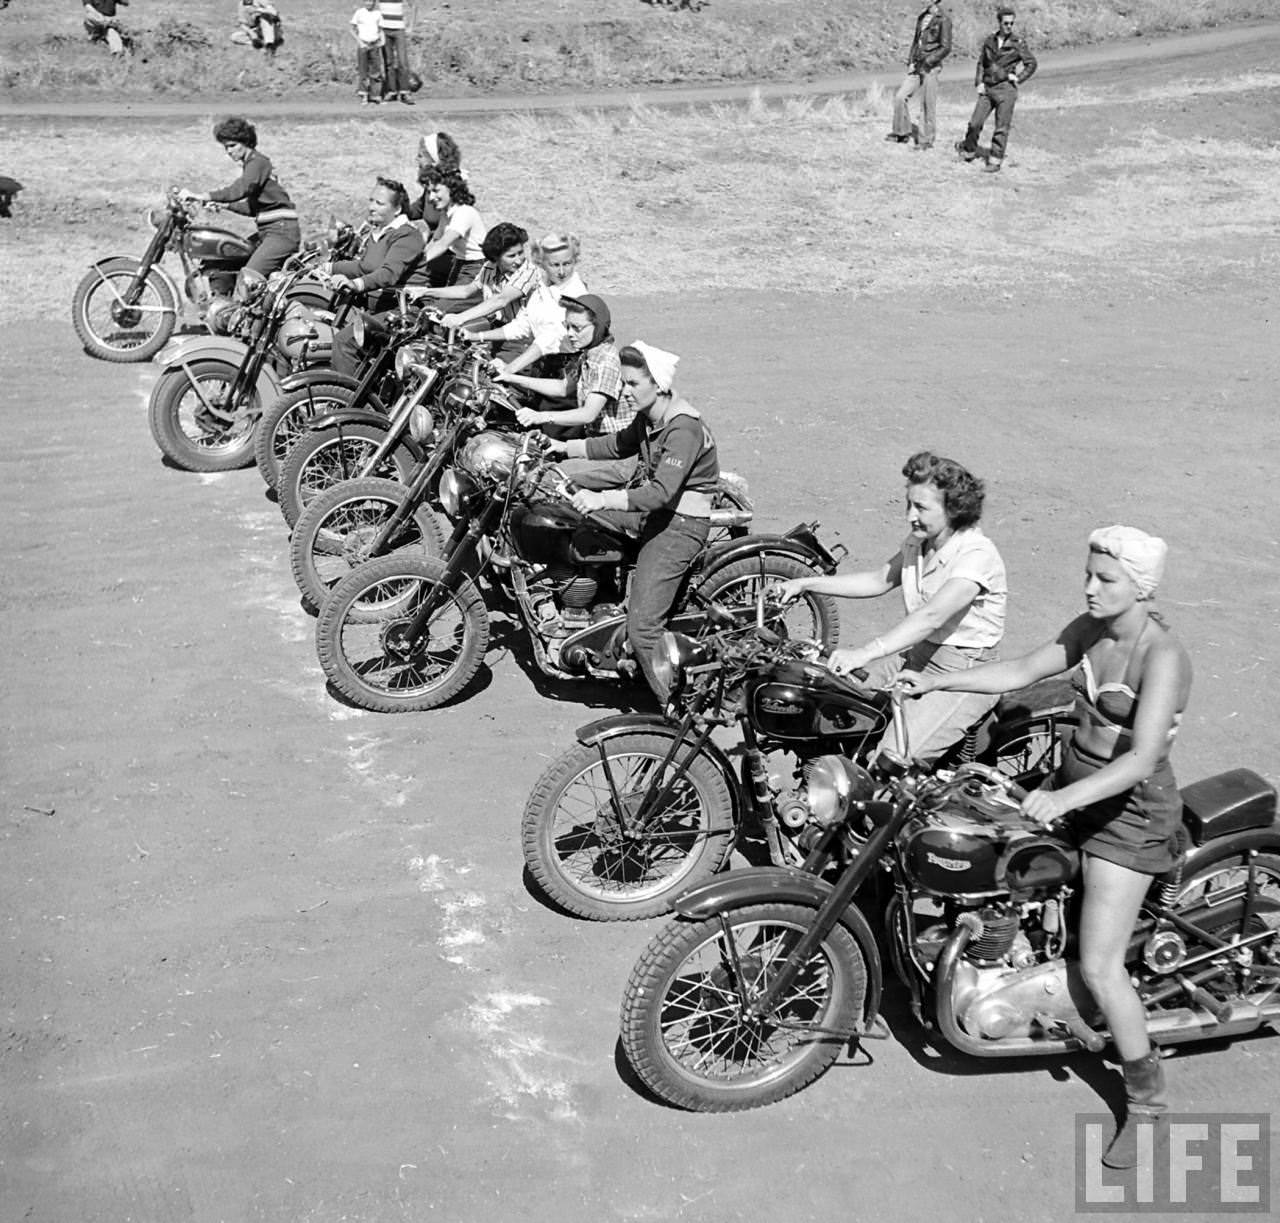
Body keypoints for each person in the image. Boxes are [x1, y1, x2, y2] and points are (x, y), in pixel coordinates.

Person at [897, 525, 1190, 1168]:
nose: (1089, 587)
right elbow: (1028, 668)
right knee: (1004, 868)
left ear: (1138, 587)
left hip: (1128, 818)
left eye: (1105, 579)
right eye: (1088, 574)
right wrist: (943, 685)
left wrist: (1060, 802)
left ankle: (1148, 1105)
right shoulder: (1090, 629)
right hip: (1071, 789)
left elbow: (1143, 757)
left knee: (1103, 967)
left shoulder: (1159, 655)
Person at [775, 451, 1007, 765]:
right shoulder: (918, 543)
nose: (911, 515)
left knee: (889, 761)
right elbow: (878, 580)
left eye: (922, 507)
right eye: (908, 504)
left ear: (954, 509)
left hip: (963, 669)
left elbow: (932, 616)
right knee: (833, 701)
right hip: (918, 655)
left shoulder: (975, 555)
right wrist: (806, 583)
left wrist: (865, 653)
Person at [540, 342, 719, 700]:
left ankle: (677, 710)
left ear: (660, 385)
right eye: (625, 382)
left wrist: (601, 498)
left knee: (643, 629)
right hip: (654, 517)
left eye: (634, 383)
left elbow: (659, 493)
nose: (625, 390)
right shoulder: (650, 419)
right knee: (578, 523)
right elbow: (617, 445)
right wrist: (563, 448)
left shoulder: (683, 429)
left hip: (679, 525)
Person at [325, 176, 427, 376]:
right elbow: (365, 266)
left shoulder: (407, 236)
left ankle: (345, 401)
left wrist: (355, 285)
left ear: (397, 209)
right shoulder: (379, 233)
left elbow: (388, 274)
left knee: (345, 342)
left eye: (379, 203)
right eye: (371, 200)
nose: (371, 207)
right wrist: (328, 268)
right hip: (382, 307)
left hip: (405, 310)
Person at [178, 117, 301, 280]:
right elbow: (252, 209)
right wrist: (224, 206)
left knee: (248, 278)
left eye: (232, 146)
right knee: (228, 261)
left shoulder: (258, 162)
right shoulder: (253, 165)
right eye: (226, 147)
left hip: (281, 232)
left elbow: (241, 189)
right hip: (270, 231)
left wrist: (203, 196)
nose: (229, 151)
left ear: (246, 142)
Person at [496, 295, 626, 448]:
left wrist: (541, 417)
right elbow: (563, 387)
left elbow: (588, 414)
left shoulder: (606, 361)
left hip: (613, 445)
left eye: (577, 328)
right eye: (568, 326)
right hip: (594, 440)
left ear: (598, 327)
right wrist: (510, 377)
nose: (570, 334)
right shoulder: (587, 355)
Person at [468, 232, 588, 365]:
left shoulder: (576, 293)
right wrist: (476, 336)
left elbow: (550, 338)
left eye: (567, 264)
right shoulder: (542, 287)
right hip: (542, 361)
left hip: (568, 364)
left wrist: (510, 367)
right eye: (554, 265)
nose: (561, 272)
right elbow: (522, 325)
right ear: (541, 263)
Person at [418, 222, 539, 343]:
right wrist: (426, 292)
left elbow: (501, 300)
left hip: (524, 337)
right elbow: (467, 290)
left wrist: (460, 317)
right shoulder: (490, 267)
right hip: (497, 329)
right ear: (496, 257)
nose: (518, 260)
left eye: (521, 253)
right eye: (511, 256)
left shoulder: (529, 271)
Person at [956, 5, 1037, 173]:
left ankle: (995, 161)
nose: (1009, 26)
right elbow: (981, 63)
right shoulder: (989, 40)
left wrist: (1019, 78)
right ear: (999, 23)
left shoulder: (1017, 43)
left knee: (1001, 127)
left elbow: (1031, 63)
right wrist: (979, 82)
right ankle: (969, 151)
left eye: (1011, 23)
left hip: (1006, 89)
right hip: (988, 88)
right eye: (1006, 23)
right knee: (975, 123)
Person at [886, 2, 952, 150]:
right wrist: (911, 61)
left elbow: (946, 47)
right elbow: (916, 42)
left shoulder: (944, 19)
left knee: (927, 104)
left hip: (931, 66)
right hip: (917, 64)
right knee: (900, 97)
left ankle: (925, 140)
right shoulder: (922, 17)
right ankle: (901, 132)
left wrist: (929, 62)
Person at [407, 132, 465, 286]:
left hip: (448, 255)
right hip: (433, 248)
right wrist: (393, 206)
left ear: (433, 159)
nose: (416, 160)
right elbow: (415, 210)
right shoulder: (432, 188)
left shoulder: (448, 193)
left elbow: (443, 238)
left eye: (420, 155)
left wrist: (422, 257)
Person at [417, 169, 487, 287]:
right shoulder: (446, 213)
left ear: (451, 189)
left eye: (435, 191)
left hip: (477, 268)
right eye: (429, 192)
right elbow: (436, 241)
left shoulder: (464, 212)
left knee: (444, 304)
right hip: (459, 264)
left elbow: (444, 243)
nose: (430, 198)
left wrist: (417, 264)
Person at [378, 0, 414, 105]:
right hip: (384, 30)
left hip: (399, 29)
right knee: (388, 62)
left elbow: (414, 6)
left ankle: (405, 92)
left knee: (402, 61)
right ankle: (391, 91)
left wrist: (411, 25)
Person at [350, 0, 385, 106]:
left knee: (376, 71)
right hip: (363, 45)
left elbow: (380, 29)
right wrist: (360, 42)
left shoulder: (378, 13)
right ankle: (364, 95)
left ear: (374, 2)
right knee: (363, 71)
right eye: (367, 1)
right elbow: (352, 29)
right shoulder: (359, 13)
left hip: (374, 44)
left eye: (371, 1)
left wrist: (382, 40)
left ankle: (376, 95)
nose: (369, 3)